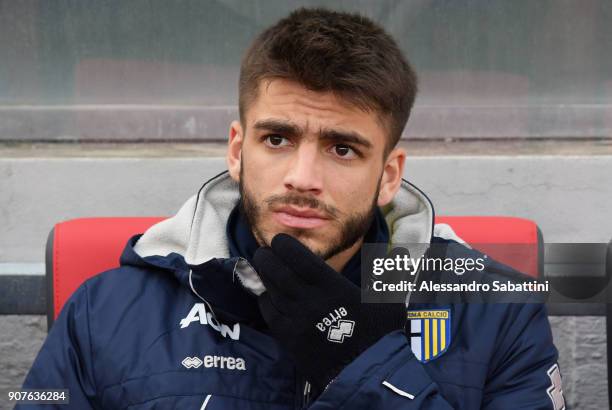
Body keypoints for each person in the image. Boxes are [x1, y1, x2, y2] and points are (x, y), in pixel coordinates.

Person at [17, 7, 565, 409]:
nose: (303, 178)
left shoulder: (497, 314)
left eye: (343, 148)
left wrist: (360, 368)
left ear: (388, 176)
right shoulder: (103, 313)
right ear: (237, 150)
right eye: (277, 139)